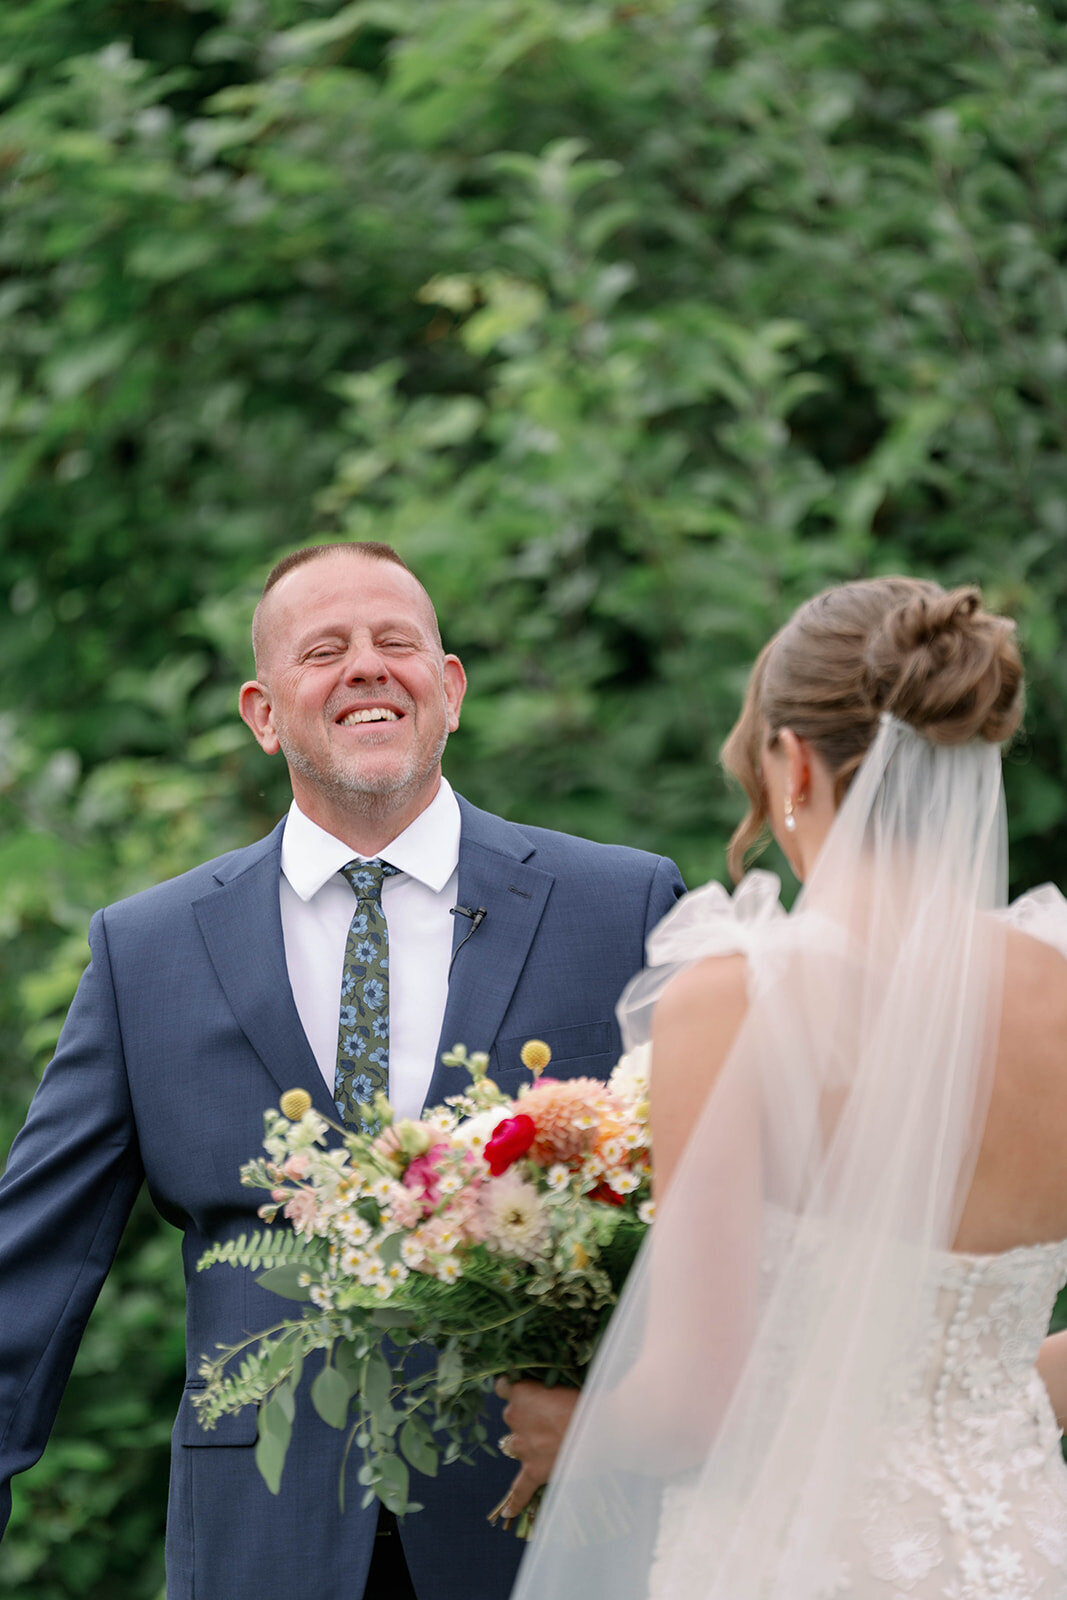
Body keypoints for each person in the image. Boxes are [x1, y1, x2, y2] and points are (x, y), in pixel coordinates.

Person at [0, 540, 685, 1600]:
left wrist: (644, 1432)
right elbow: (30, 1267)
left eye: (395, 642)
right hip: (257, 1544)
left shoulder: (620, 907)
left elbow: (714, 1231)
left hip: (544, 1534)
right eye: (324, 650)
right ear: (263, 711)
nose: (366, 666)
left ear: (447, 689)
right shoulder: (146, 951)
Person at [508, 577, 1067, 1600]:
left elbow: (690, 1399)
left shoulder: (738, 999)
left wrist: (577, 1427)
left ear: (790, 760)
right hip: (1023, 1557)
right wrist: (978, 1400)